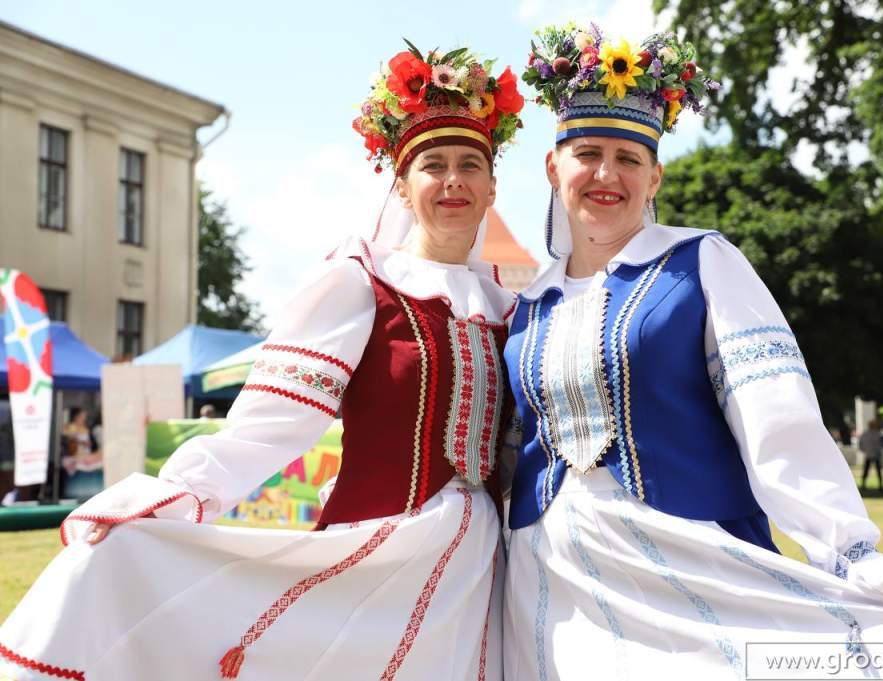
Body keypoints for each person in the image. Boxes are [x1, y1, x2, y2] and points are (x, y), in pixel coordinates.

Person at [0, 41, 524, 681]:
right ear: (401, 184)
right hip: (379, 553)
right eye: (432, 164)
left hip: (486, 571)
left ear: (492, 184)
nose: (452, 180)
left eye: (470, 164)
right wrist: (176, 496)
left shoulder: (510, 308)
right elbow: (268, 423)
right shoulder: (362, 283)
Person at [502, 23, 883, 680]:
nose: (606, 173)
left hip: (681, 560)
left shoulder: (700, 263)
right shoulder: (528, 305)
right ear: (554, 166)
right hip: (553, 584)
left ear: (655, 177)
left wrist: (847, 550)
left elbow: (776, 414)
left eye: (628, 158)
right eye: (587, 152)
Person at [859, 418, 883, 490]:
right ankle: (879, 485)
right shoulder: (877, 434)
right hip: (873, 455)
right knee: (875, 471)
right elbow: (881, 444)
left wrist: (864, 450)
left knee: (869, 471)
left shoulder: (866, 434)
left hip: (870, 454)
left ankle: (865, 485)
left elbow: (861, 444)